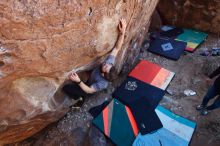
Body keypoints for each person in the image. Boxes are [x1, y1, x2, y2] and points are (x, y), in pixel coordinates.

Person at [62, 18, 127, 107]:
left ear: (104, 75)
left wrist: (78, 81)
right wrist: (122, 32)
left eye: (106, 67)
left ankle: (79, 98)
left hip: (89, 87)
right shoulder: (109, 63)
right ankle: (81, 94)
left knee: (67, 88)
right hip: (90, 78)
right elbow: (117, 48)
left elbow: (89, 90)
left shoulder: (102, 84)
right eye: (108, 64)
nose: (106, 64)